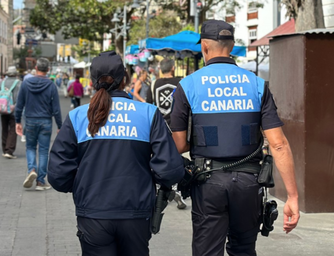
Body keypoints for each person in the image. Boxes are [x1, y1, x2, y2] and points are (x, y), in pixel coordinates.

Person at [170, 20, 300, 256]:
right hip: (249, 184)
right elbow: (278, 144)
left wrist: (200, 141)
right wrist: (292, 196)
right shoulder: (257, 84)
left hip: (207, 182)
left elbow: (178, 144)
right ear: (231, 46)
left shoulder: (187, 85)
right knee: (243, 249)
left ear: (205, 48)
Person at [47, 51, 184, 256]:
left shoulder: (77, 116)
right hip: (136, 214)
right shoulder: (148, 113)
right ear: (125, 79)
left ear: (93, 81)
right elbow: (171, 169)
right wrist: (148, 180)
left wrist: (82, 185)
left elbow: (57, 174)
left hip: (93, 213)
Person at [15, 58, 62, 191]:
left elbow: (19, 105)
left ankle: (32, 170)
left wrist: (17, 121)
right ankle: (41, 182)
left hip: (30, 120)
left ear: (36, 68)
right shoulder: (51, 86)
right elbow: (56, 109)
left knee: (30, 147)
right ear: (48, 70)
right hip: (46, 121)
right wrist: (60, 125)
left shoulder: (26, 84)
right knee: (43, 151)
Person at [146, 58, 187, 210]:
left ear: (160, 69)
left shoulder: (153, 85)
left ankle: (160, 190)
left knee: (159, 159)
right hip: (178, 128)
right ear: (173, 68)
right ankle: (176, 190)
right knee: (178, 160)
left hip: (159, 129)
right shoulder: (181, 83)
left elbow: (149, 107)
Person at [0, 67, 21, 159]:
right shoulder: (19, 83)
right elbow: (19, 97)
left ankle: (4, 149)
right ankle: (9, 150)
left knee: (4, 128)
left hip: (3, 109)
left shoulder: (3, 82)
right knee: (13, 129)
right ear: (15, 74)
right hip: (13, 109)